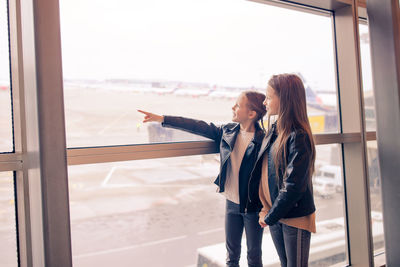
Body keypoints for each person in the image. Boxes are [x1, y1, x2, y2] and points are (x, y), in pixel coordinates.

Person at [138, 90, 266, 267]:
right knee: (231, 256)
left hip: (253, 206)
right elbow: (196, 125)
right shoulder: (227, 131)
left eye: (237, 104)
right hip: (231, 203)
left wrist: (267, 207)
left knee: (253, 256)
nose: (232, 107)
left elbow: (270, 177)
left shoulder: (264, 140)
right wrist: (162, 119)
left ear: (251, 114)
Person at [256, 74, 316, 267]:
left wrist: (271, 215)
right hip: (276, 212)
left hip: (293, 216)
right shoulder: (275, 130)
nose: (264, 102)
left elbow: (293, 186)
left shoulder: (298, 136)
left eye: (269, 97)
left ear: (285, 99)